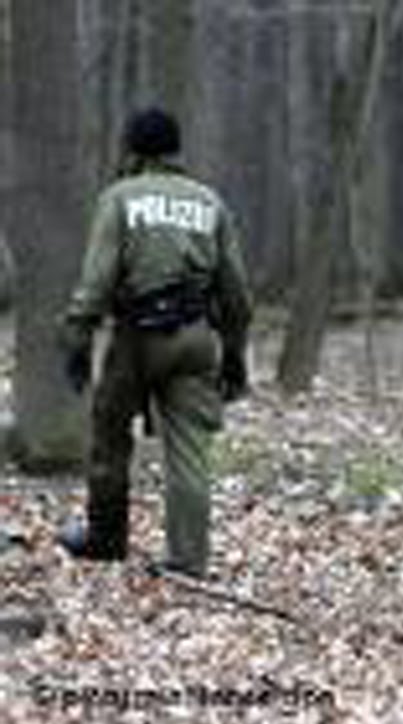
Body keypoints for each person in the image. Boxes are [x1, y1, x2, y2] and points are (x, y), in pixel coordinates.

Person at [57, 107, 252, 578]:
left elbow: (97, 280)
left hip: (136, 339)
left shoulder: (120, 198)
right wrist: (234, 353)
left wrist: (78, 338)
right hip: (196, 338)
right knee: (190, 452)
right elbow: (236, 293)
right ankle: (188, 560)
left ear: (133, 151)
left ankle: (106, 539)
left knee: (110, 436)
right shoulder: (209, 202)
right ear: (175, 150)